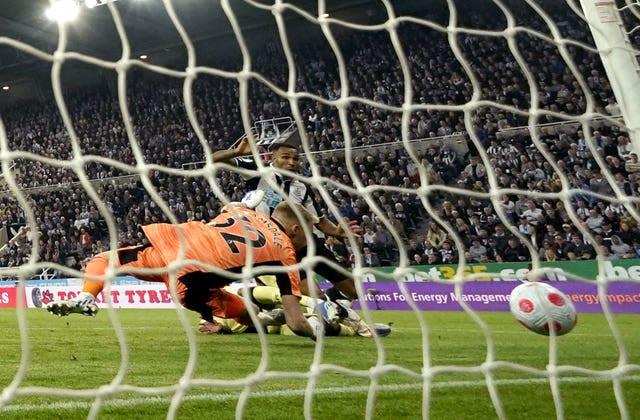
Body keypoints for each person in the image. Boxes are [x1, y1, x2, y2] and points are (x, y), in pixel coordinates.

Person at [46, 201, 329, 339]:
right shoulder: (286, 251)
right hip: (192, 280)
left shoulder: (246, 211)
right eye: (308, 234)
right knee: (249, 314)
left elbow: (231, 205)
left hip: (173, 243)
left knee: (107, 258)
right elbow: (297, 323)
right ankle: (261, 319)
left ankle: (87, 295)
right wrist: (320, 327)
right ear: (294, 230)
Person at [212, 137, 362, 310]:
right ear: (273, 159)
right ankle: (261, 302)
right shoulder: (257, 172)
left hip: (308, 243)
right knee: (314, 296)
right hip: (278, 248)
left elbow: (318, 220)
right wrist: (236, 152)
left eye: (296, 159)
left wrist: (336, 231)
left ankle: (330, 304)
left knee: (354, 291)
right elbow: (214, 159)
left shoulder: (303, 188)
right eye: (285, 157)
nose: (291, 162)